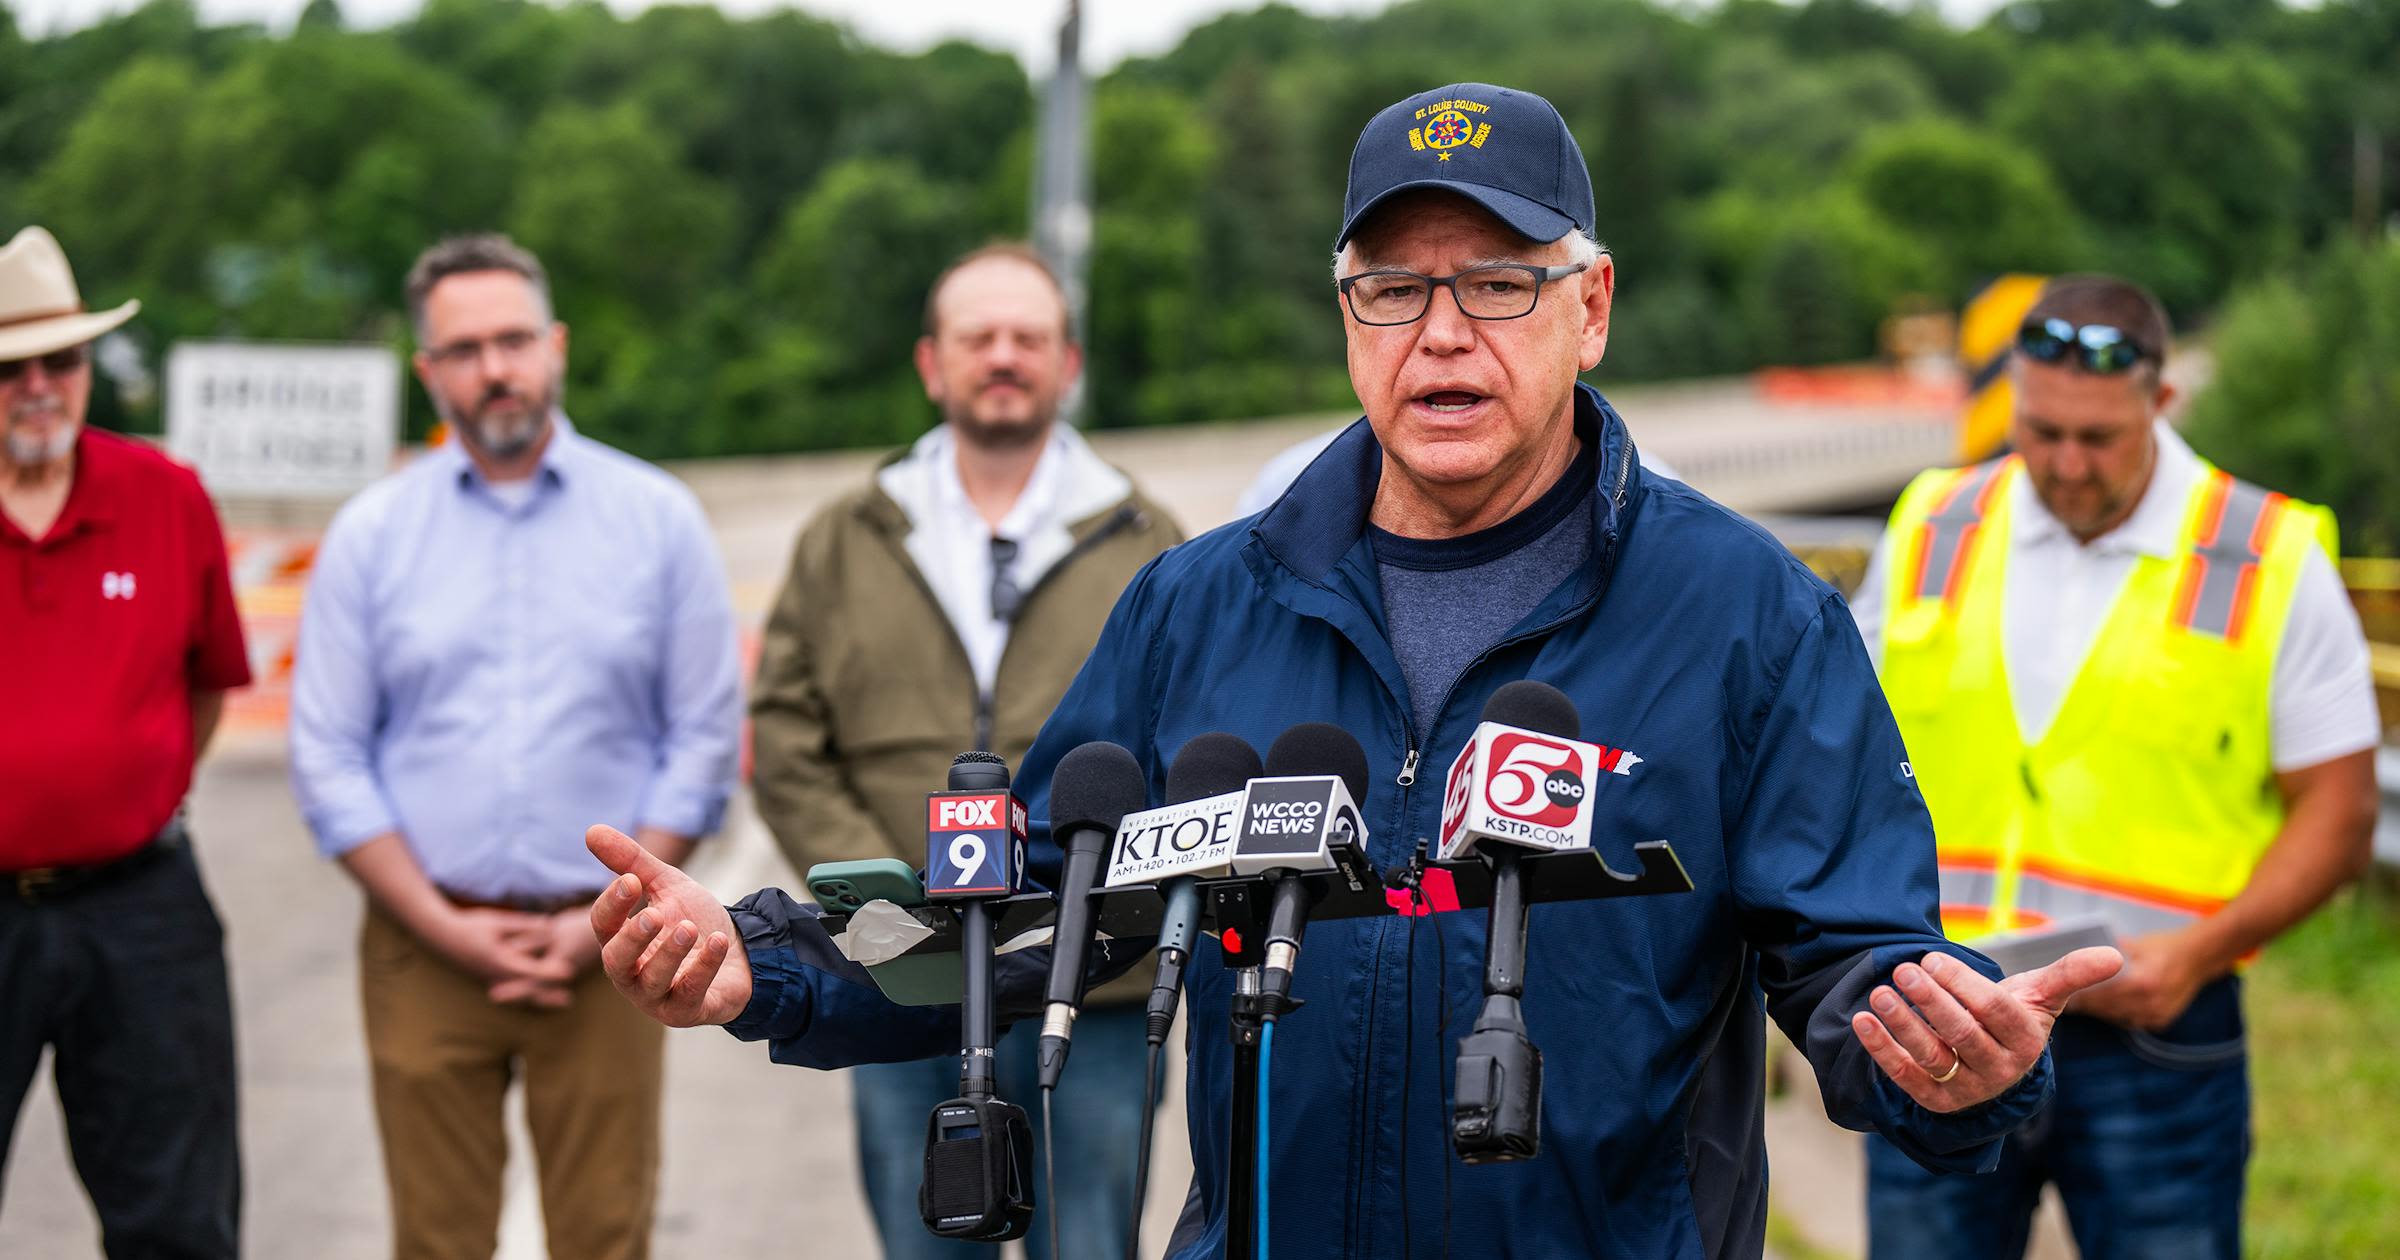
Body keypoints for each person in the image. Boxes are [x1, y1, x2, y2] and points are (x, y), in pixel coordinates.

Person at [585, 84, 2124, 1259]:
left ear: (1590, 308)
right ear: (1346, 317)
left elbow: (1851, 964)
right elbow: (1039, 899)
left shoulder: (1747, 615)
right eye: (1396, 288)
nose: (1442, 335)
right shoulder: (1202, 603)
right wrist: (762, 960)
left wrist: (1951, 1064)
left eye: (1499, 284)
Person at [1850, 274, 2380, 1259]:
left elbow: (2342, 815)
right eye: (2040, 432)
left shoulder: (2265, 552)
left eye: (2098, 439)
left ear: (2162, 402)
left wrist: (2199, 955)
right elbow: (1844, 756)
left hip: (2159, 1036)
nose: (2064, 464)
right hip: (1948, 1018)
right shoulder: (1935, 523)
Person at [289, 234, 740, 1260]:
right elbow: (329, 756)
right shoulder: (372, 535)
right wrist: (443, 926)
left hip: (619, 948)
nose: (495, 369)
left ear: (557, 346)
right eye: (465, 349)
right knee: (436, 1240)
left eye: (514, 340)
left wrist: (610, 921)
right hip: (424, 946)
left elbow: (702, 739)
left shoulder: (657, 521)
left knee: (605, 1235)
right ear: (427, 371)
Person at [748, 241, 1182, 1259]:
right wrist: (883, 906)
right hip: (899, 970)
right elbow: (785, 734)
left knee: (1091, 1243)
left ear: (1068, 364)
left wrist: (1099, 901)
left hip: (1095, 976)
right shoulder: (846, 537)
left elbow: (1185, 738)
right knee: (925, 1239)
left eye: (1027, 337)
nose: (1002, 356)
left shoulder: (1146, 536)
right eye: (976, 336)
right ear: (930, 363)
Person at [0, 225, 249, 1259]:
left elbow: (205, 686)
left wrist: (121, 789)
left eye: (62, 360)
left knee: (177, 1217)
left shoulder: (164, 495)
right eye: (11, 366)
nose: (40, 386)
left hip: (139, 904)